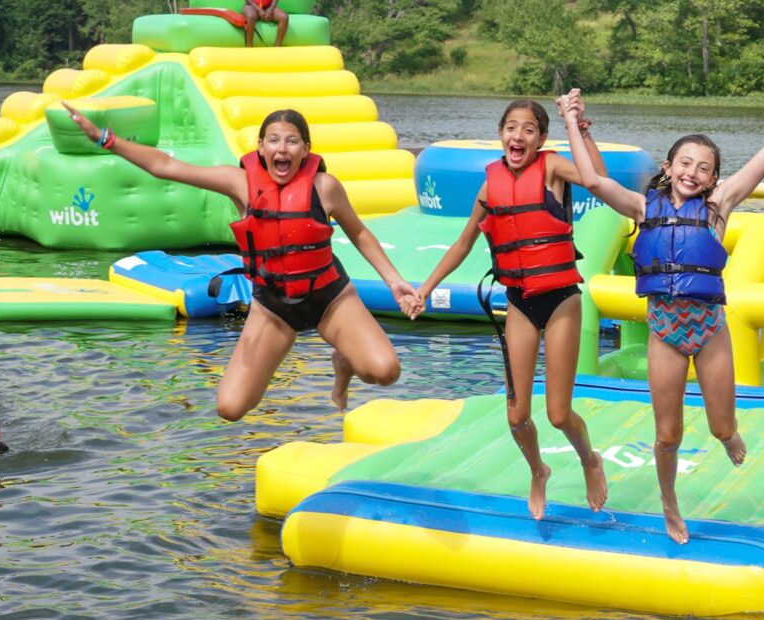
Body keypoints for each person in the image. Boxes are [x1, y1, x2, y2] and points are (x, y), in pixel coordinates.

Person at [559, 67, 764, 543]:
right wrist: (573, 120)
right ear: (668, 168)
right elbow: (591, 179)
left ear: (714, 179)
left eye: (703, 167)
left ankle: (728, 433)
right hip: (665, 332)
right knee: (667, 436)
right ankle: (670, 504)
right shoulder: (643, 206)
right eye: (684, 163)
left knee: (720, 426)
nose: (692, 173)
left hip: (709, 329)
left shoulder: (719, 206)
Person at [63, 103, 420, 420]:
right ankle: (341, 354)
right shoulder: (239, 184)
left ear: (306, 149)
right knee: (230, 409)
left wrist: (394, 281)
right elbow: (165, 166)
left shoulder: (325, 187)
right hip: (273, 308)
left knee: (385, 372)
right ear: (260, 148)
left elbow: (359, 233)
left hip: (329, 299)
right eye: (274, 140)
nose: (283, 149)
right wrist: (104, 138)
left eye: (292, 141)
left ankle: (343, 362)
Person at [401, 98, 609, 520]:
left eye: (528, 129)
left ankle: (590, 460)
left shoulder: (551, 168)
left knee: (557, 413)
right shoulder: (489, 184)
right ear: (501, 134)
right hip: (519, 302)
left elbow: (599, 179)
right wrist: (424, 289)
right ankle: (538, 471)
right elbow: (462, 245)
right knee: (516, 416)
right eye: (511, 127)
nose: (518, 136)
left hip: (561, 298)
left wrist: (583, 132)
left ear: (541, 139)